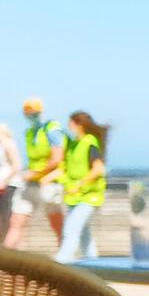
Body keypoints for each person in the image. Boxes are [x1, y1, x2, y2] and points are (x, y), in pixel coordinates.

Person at [7, 97, 68, 248]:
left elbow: (57, 159)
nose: (31, 116)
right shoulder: (30, 133)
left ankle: (65, 252)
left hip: (50, 182)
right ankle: (8, 255)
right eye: (28, 113)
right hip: (31, 182)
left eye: (34, 113)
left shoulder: (52, 129)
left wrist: (36, 173)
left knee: (56, 222)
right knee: (16, 220)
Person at [50, 111, 109, 263]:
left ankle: (62, 261)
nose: (68, 127)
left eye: (70, 124)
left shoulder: (90, 142)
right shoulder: (72, 144)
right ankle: (93, 263)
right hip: (74, 196)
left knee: (71, 228)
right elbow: (66, 169)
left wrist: (80, 183)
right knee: (84, 233)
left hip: (90, 195)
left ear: (80, 125)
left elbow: (98, 169)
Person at [0, 122, 20, 244]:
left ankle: (4, 242)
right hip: (1, 184)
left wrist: (5, 181)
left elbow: (16, 165)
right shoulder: (1, 145)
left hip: (9, 184)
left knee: (4, 214)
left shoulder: (9, 144)